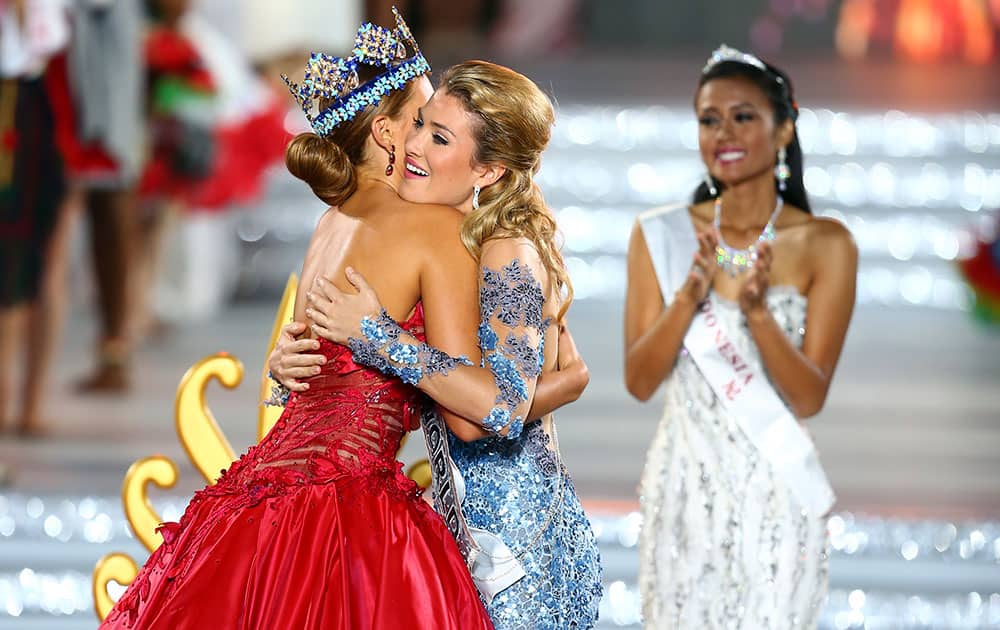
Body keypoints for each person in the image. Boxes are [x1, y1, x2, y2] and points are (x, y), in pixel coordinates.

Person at [99, 11, 493, 629]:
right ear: (389, 133)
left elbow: (309, 373)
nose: (434, 136)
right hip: (348, 509)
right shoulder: (434, 228)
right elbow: (469, 417)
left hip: (260, 493)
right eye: (424, 121)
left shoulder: (331, 223)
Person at [272, 60, 603, 629]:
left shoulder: (505, 250)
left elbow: (496, 412)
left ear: (488, 170)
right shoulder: (468, 237)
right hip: (473, 538)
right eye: (420, 124)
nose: (414, 146)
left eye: (440, 137)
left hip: (521, 555)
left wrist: (377, 335)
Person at [624, 45, 857, 628]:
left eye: (742, 116)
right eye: (709, 119)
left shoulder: (827, 244)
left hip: (777, 495)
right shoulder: (662, 235)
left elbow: (809, 397)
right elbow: (639, 381)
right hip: (682, 492)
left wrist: (756, 314)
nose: (722, 132)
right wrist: (687, 298)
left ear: (783, 130)